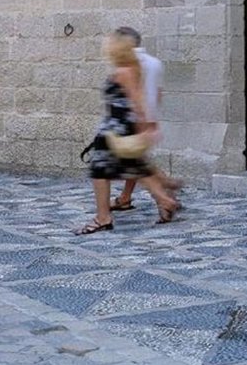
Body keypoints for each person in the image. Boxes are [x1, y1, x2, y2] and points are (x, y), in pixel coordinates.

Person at [74, 30, 178, 233]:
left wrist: (145, 128)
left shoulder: (125, 71)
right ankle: (165, 199)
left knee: (100, 170)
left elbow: (137, 101)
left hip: (117, 127)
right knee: (136, 168)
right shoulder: (130, 68)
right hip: (118, 126)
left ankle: (103, 218)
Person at [110, 25, 181, 213]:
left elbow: (132, 95)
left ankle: (165, 194)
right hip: (147, 118)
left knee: (135, 164)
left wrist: (138, 120)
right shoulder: (155, 63)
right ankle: (127, 197)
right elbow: (157, 93)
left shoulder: (127, 63)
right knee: (135, 161)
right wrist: (153, 119)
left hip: (130, 119)